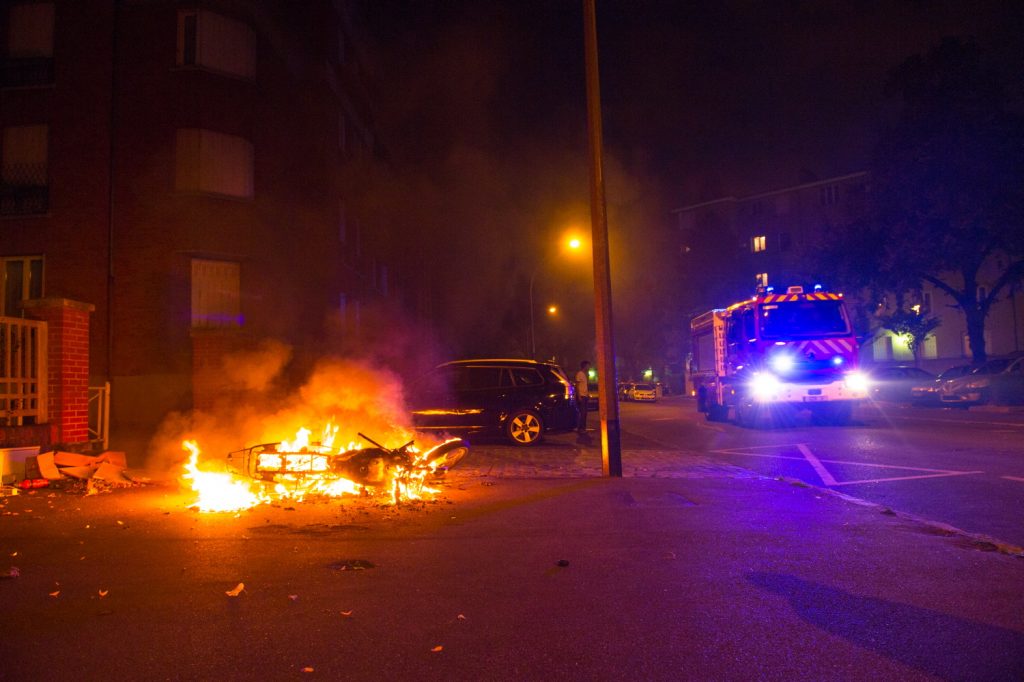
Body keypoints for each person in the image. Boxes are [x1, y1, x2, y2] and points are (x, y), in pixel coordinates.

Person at [574, 360, 591, 433]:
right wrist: (579, 396)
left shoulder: (584, 374)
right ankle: (580, 428)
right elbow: (577, 386)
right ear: (584, 366)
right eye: (588, 365)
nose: (589, 367)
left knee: (585, 413)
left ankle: (583, 428)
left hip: (585, 396)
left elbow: (585, 386)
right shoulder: (579, 374)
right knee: (582, 413)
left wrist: (587, 394)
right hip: (581, 396)